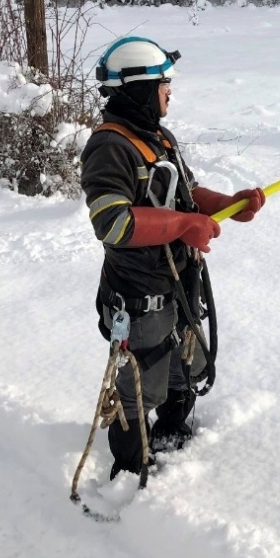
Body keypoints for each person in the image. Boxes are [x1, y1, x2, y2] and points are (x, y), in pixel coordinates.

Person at [80, 36, 265, 479]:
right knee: (140, 386)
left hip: (179, 284)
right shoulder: (110, 147)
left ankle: (174, 435)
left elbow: (186, 193)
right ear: (140, 88)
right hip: (140, 295)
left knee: (185, 365)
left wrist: (229, 203)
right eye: (163, 83)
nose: (170, 92)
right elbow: (114, 224)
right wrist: (183, 226)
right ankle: (128, 472)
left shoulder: (158, 136)